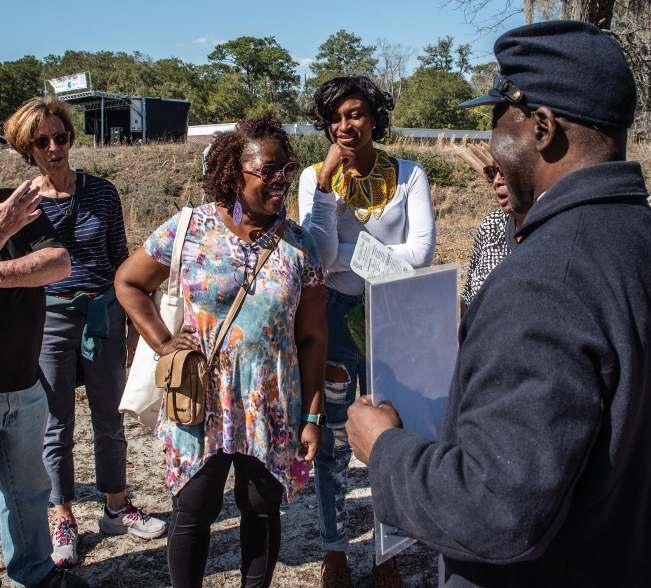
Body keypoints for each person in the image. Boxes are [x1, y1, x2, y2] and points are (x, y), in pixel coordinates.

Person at [346, 20, 651, 587]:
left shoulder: (543, 280)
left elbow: (496, 511)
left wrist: (384, 449)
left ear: (542, 128)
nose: (489, 142)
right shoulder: (633, 237)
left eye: (497, 118)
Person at [115, 113, 326, 588]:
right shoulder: (189, 229)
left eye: (286, 168)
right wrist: (163, 343)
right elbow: (128, 282)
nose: (281, 180)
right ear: (234, 173)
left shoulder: (300, 245)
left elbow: (313, 337)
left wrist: (312, 415)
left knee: (261, 508)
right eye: (268, 170)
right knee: (194, 509)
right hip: (200, 397)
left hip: (270, 402)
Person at [3, 97, 165, 568]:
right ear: (28, 148)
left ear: (72, 138)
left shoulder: (102, 192)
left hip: (102, 312)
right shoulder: (22, 203)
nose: (54, 148)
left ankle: (116, 506)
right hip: (49, 317)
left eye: (61, 137)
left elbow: (120, 259)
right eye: (42, 141)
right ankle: (63, 517)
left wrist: (132, 322)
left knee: (110, 415)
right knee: (55, 424)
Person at [298, 75, 435, 587]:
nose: (345, 126)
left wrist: (350, 258)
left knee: (389, 432)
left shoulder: (409, 175)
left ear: (374, 118)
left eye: (355, 114)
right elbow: (319, 255)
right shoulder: (314, 179)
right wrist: (327, 186)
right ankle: (334, 548)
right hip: (334, 319)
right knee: (332, 436)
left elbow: (422, 253)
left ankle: (387, 549)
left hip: (391, 317)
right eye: (335, 118)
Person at [0, 169, 89, 587]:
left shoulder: (16, 202)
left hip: (22, 382)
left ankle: (34, 574)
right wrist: (2, 233)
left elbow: (58, 263)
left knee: (28, 493)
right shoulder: (8, 217)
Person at [456, 144, 526, 314]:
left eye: (505, 173)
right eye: (493, 173)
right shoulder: (491, 225)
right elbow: (470, 294)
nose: (496, 182)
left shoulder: (555, 231)